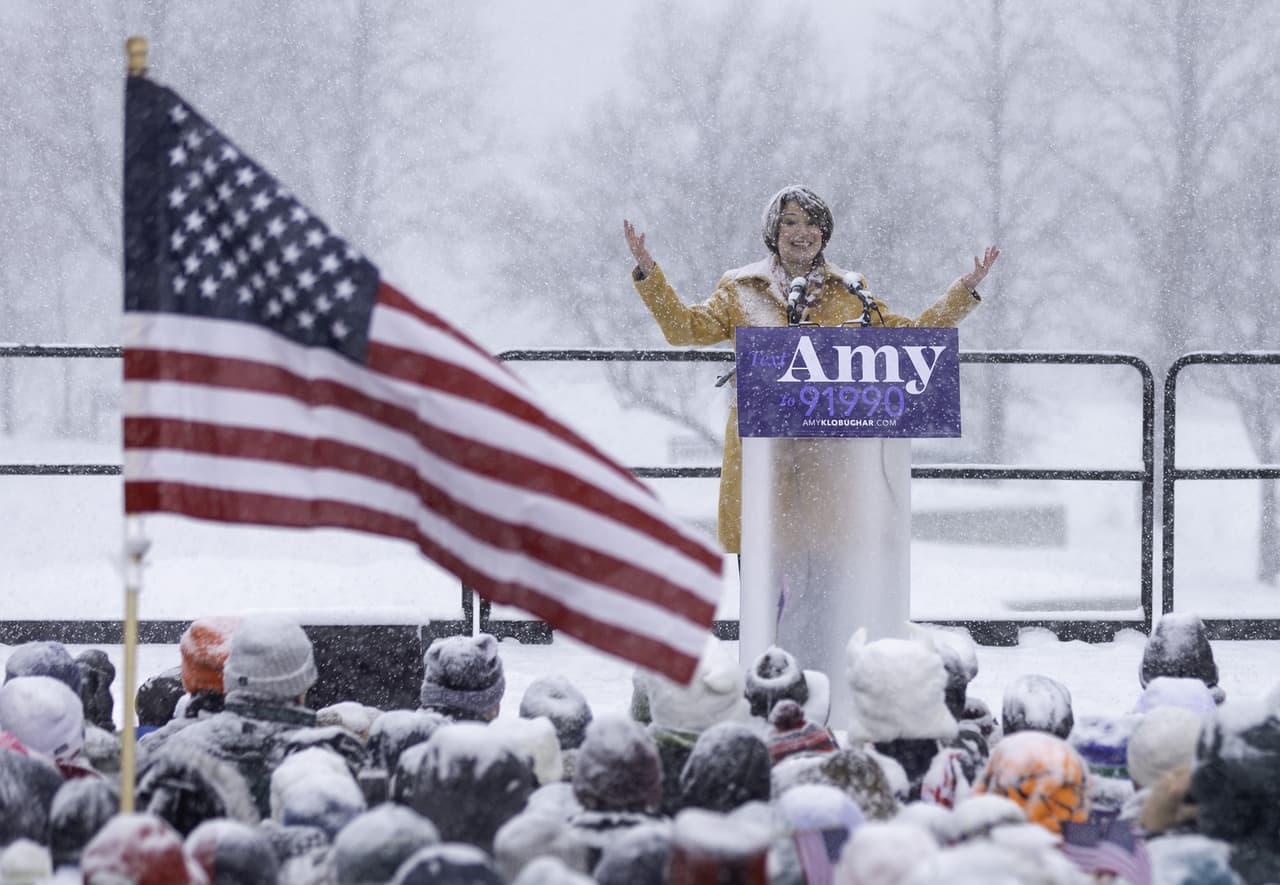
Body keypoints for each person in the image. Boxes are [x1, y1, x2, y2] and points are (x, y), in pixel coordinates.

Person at [623, 185, 999, 553]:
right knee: (762, 578)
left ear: (824, 232)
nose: (802, 232)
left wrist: (962, 292)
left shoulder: (851, 292)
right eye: (791, 222)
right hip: (761, 457)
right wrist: (649, 273)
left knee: (828, 571)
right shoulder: (741, 290)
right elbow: (684, 328)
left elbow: (910, 338)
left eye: (812, 223)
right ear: (774, 231)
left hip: (830, 466)